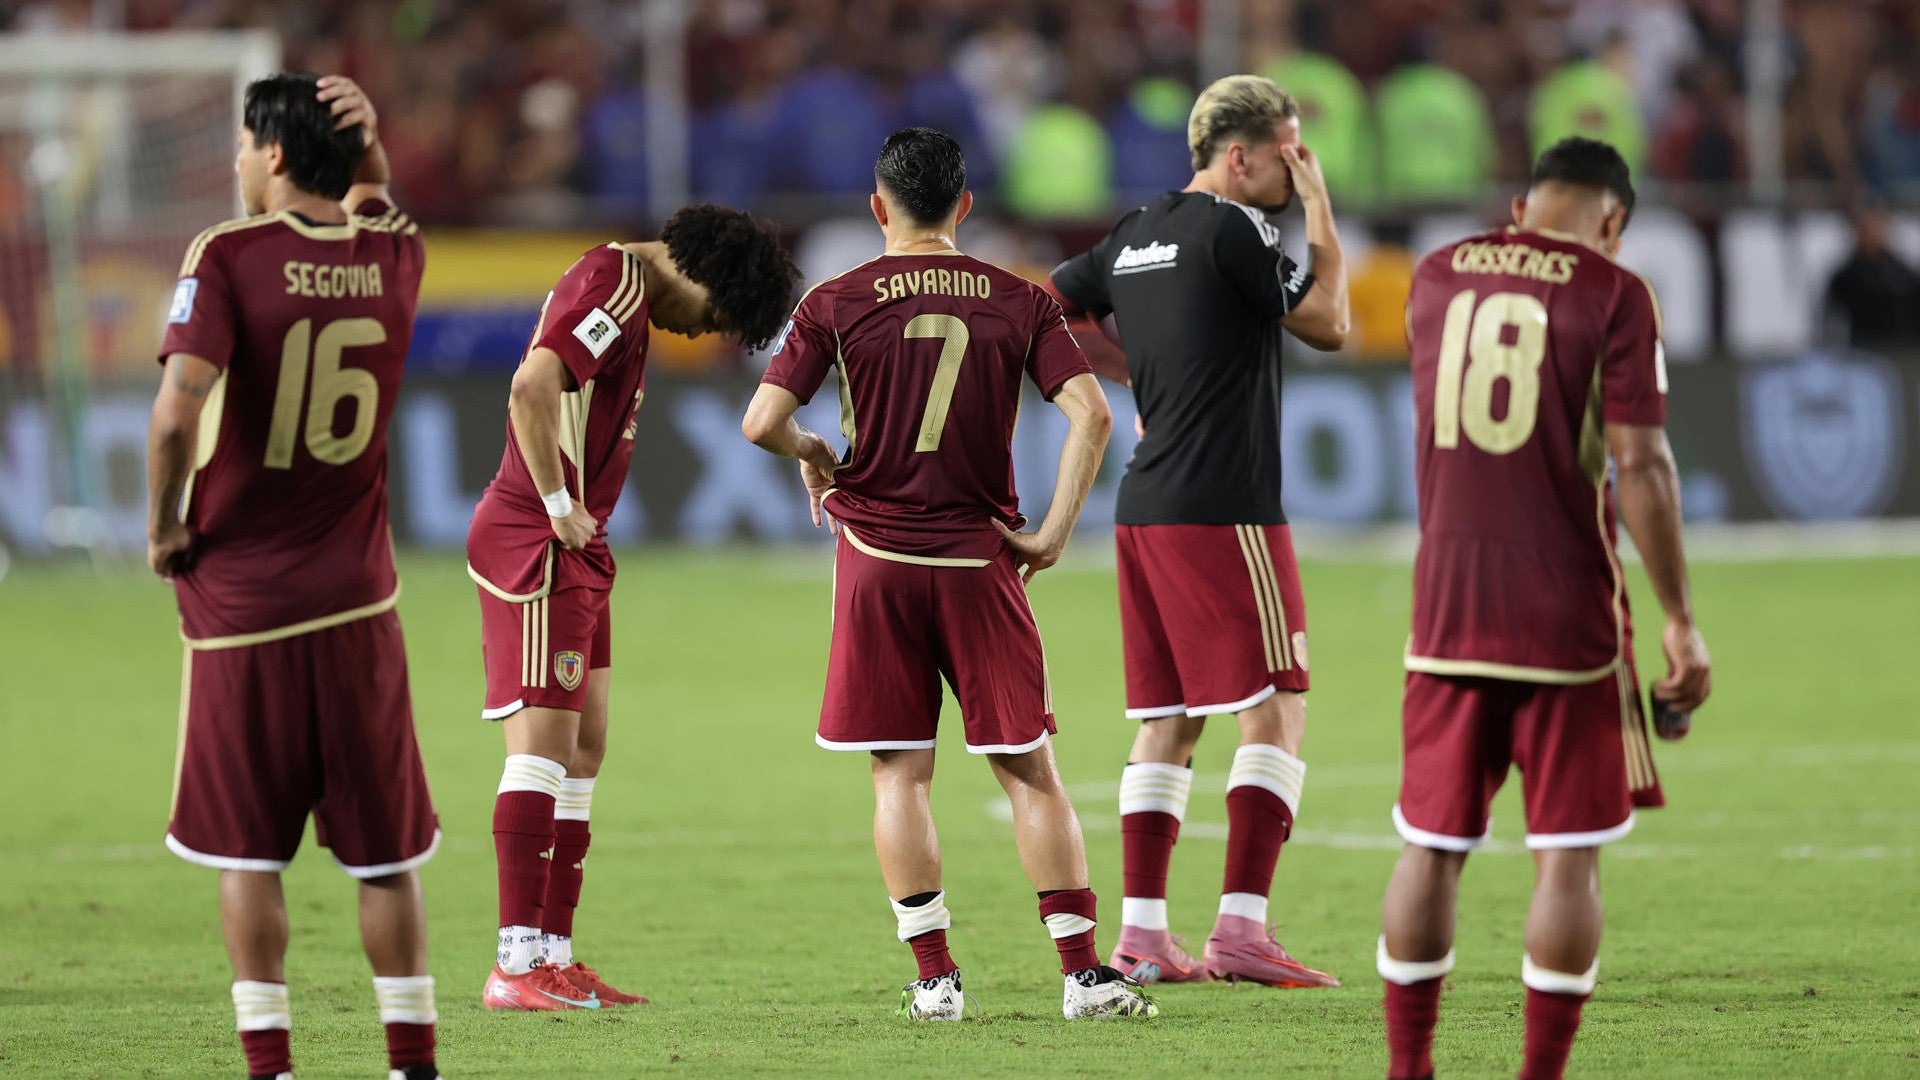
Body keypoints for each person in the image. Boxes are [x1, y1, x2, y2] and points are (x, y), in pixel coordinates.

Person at [741, 127, 1155, 1021]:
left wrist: (814, 449)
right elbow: (1092, 418)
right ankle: (1084, 976)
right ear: (965, 206)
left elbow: (760, 421)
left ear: (878, 205)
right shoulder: (1020, 300)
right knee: (1029, 769)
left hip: (875, 564)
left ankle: (936, 980)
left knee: (900, 773)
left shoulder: (836, 298)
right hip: (979, 558)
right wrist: (1050, 533)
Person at [1383, 136, 1713, 1080]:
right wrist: (1679, 616)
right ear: (1612, 220)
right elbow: (1641, 464)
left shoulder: (1436, 275)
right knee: (1566, 856)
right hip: (1564, 615)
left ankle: (1410, 1070)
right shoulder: (1615, 293)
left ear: (1526, 203)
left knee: (1431, 846)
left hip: (1444, 606)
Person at [147, 74, 442, 1080]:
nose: (234, 160)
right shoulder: (397, 255)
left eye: (241, 145)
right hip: (360, 601)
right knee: (383, 854)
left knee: (248, 852)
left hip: (243, 609)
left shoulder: (227, 255)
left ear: (272, 157)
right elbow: (378, 194)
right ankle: (412, 1063)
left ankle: (270, 1065)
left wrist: (165, 527)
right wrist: (365, 144)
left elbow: (176, 417)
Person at [1048, 73, 1350, 988]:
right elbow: (1332, 323)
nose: (1297, 170)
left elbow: (1051, 304)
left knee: (1168, 722)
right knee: (1277, 703)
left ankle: (1141, 936)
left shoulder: (1136, 232)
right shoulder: (1236, 227)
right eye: (1291, 154)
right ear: (1242, 154)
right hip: (1228, 508)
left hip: (1144, 509)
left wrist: (1138, 370)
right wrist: (1323, 213)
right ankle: (1242, 930)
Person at [467, 204, 798, 1010]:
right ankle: (514, 964)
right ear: (704, 274)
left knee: (583, 751)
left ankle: (555, 955)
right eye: (715, 315)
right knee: (542, 752)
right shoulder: (617, 280)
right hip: (537, 538)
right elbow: (530, 383)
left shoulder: (628, 297)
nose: (701, 332)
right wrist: (555, 502)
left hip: (578, 544)